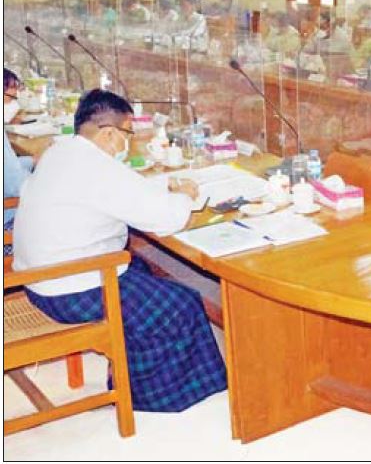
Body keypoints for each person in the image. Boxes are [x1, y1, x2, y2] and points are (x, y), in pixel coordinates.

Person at [12, 89, 227, 412]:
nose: (127, 142)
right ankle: (149, 397)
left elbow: (118, 191)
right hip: (68, 288)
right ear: (108, 133)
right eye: (127, 133)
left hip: (38, 278)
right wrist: (184, 196)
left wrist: (165, 187)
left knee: (142, 268)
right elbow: (167, 219)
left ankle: (129, 369)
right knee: (181, 305)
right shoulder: (96, 169)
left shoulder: (63, 151)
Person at [4, 69, 33, 240]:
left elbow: (7, 169)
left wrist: (32, 161)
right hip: (8, 223)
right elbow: (16, 185)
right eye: (10, 98)